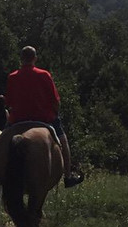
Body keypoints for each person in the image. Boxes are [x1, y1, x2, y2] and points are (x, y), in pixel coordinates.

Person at [5, 46, 83, 187]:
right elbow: (55, 100)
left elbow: (9, 102)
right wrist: (55, 113)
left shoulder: (12, 77)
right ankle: (68, 176)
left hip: (18, 119)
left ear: (21, 59)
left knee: (2, 140)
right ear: (35, 58)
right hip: (44, 118)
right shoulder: (44, 74)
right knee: (64, 142)